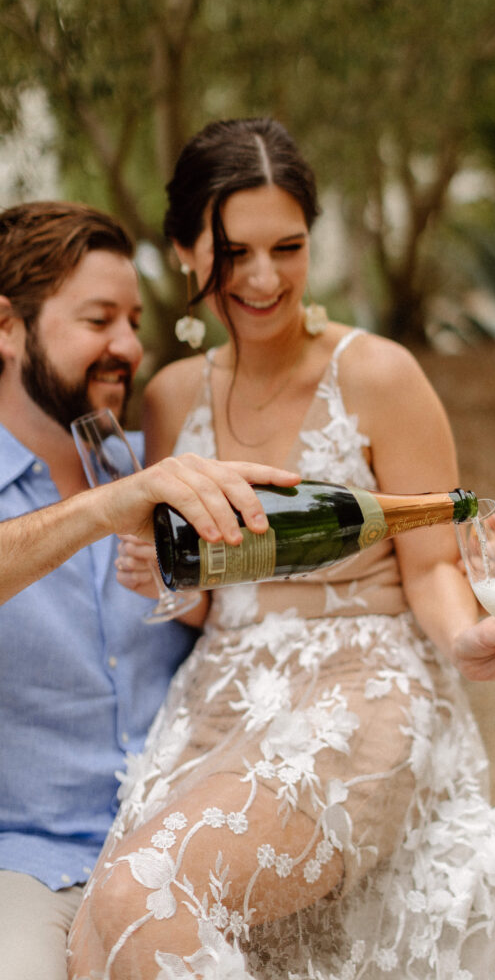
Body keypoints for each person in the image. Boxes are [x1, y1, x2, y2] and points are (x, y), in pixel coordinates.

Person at [67, 119, 495, 980]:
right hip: (219, 695)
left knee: (143, 894)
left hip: (364, 684)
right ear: (184, 249)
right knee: (100, 928)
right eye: (235, 251)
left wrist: (465, 639)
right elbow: (206, 584)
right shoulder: (170, 397)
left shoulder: (380, 375)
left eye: (286, 247)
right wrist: (164, 578)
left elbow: (433, 562)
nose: (263, 278)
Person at [0, 199, 300, 979]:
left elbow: (281, 599)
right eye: (100, 320)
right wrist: (103, 509)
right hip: (25, 868)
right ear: (5, 328)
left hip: (181, 853)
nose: (128, 347)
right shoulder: (131, 487)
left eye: (134, 321)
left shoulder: (165, 464)